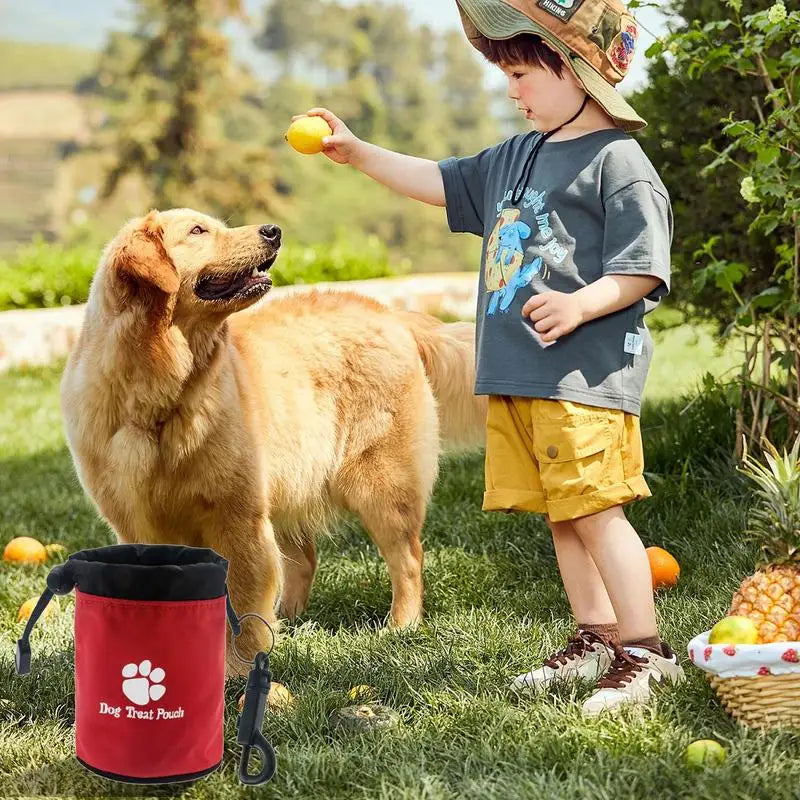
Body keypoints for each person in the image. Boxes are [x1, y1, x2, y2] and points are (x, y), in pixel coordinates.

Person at [294, 0, 684, 715]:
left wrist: (580, 305)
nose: (511, 88)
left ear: (572, 71)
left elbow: (643, 269)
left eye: (521, 73)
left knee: (598, 512)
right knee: (563, 517)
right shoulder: (519, 155)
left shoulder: (619, 164)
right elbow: (442, 182)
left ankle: (646, 650)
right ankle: (595, 637)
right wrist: (358, 153)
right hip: (523, 379)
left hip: (583, 381)